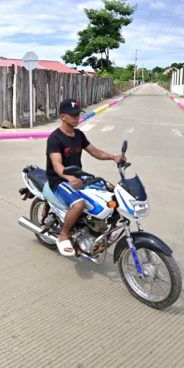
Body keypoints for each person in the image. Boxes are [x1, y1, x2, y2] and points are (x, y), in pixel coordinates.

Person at [46, 98, 124, 256]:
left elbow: (95, 152)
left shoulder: (79, 135)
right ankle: (63, 235)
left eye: (78, 115)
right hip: (59, 180)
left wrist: (113, 157)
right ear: (62, 116)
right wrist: (69, 178)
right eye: (73, 115)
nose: (77, 118)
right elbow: (57, 164)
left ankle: (103, 227)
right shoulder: (55, 138)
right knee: (79, 204)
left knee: (111, 189)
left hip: (78, 177)